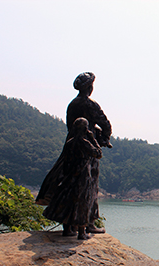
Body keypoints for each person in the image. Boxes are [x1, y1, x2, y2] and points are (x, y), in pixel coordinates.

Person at [36, 72, 112, 235]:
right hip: (87, 151)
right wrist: (103, 139)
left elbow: (70, 125)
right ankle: (88, 223)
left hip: (71, 148)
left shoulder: (72, 105)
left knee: (69, 185)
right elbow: (105, 124)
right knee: (88, 186)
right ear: (90, 87)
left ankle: (70, 225)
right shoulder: (90, 104)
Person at [42, 118, 102, 240]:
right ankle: (81, 232)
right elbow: (98, 153)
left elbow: (65, 159)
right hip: (82, 176)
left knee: (68, 201)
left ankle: (67, 230)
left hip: (69, 175)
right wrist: (93, 138)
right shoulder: (85, 142)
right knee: (82, 203)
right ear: (86, 129)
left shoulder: (69, 143)